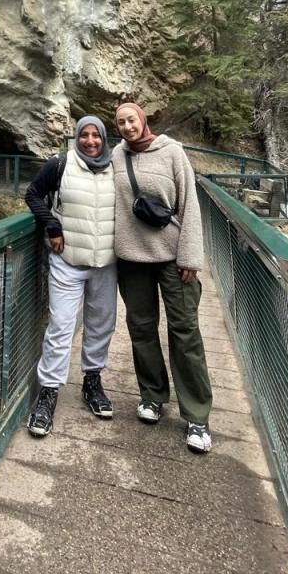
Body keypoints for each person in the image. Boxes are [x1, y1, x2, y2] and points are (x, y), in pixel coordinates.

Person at [112, 101, 214, 453]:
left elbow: (190, 205)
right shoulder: (115, 157)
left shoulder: (172, 152)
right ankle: (152, 396)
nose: (127, 127)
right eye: (121, 122)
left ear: (143, 120)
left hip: (173, 258)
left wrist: (190, 256)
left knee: (184, 331)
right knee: (140, 329)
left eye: (132, 120)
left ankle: (197, 416)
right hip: (131, 258)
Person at [23, 116, 117, 438]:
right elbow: (33, 194)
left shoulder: (116, 168)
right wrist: (51, 223)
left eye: (96, 136)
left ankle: (92, 382)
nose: (91, 141)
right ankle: (48, 393)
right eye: (85, 135)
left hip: (106, 263)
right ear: (76, 137)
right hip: (67, 261)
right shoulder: (60, 164)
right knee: (61, 326)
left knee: (101, 324)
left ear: (105, 139)